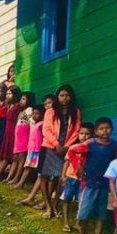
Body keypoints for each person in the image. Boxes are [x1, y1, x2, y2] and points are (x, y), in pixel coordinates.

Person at [72, 117, 117, 234]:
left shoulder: (114, 145)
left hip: (104, 183)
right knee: (84, 212)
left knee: (101, 213)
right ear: (96, 131)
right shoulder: (90, 143)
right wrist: (79, 169)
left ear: (112, 129)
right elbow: (75, 153)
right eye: (101, 129)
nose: (105, 131)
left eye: (108, 128)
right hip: (89, 182)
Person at [41, 84, 82, 219]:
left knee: (60, 177)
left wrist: (67, 146)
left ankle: (54, 204)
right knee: (44, 176)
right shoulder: (50, 111)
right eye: (61, 95)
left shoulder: (75, 111)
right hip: (49, 147)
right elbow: (46, 129)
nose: (64, 98)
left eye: (67, 95)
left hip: (65, 148)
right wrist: (56, 143)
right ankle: (48, 206)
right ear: (57, 97)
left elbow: (76, 131)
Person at [55, 122, 93, 231]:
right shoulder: (73, 148)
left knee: (81, 202)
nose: (84, 136)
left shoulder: (91, 149)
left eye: (87, 134)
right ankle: (66, 222)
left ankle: (78, 223)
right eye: (81, 133)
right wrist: (63, 176)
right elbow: (66, 163)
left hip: (84, 180)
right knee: (66, 199)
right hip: (70, 177)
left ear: (92, 135)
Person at [0, 85, 22, 182]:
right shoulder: (9, 106)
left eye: (9, 94)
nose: (7, 96)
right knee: (4, 157)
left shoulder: (17, 107)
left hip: (14, 134)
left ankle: (9, 178)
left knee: (12, 157)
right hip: (7, 134)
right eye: (7, 93)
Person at [6, 91, 34, 186]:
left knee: (21, 157)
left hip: (24, 137)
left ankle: (17, 178)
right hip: (18, 138)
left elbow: (32, 123)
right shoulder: (22, 111)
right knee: (16, 158)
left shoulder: (29, 110)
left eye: (24, 99)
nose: (21, 101)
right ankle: (11, 177)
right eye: (21, 98)